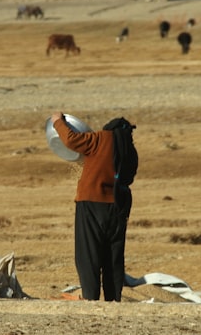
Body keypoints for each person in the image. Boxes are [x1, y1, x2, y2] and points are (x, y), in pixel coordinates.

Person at [51, 112, 138, 301]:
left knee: (88, 254)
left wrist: (57, 121)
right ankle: (113, 299)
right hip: (118, 206)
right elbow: (129, 177)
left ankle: (90, 299)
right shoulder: (129, 148)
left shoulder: (100, 139)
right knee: (113, 256)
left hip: (91, 203)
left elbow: (71, 140)